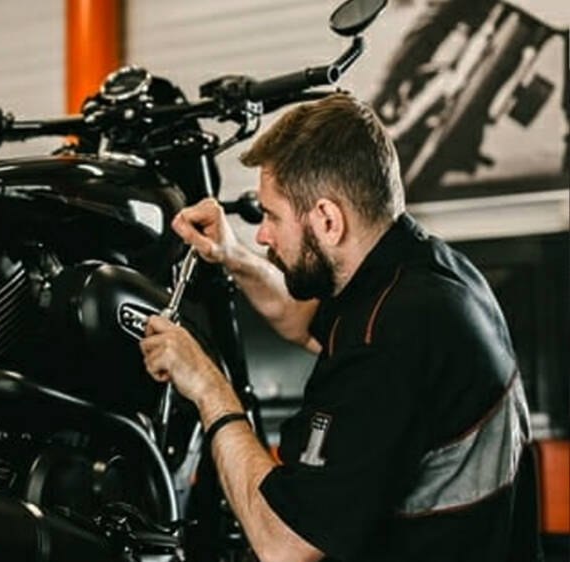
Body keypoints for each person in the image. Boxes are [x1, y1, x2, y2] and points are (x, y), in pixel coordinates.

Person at [139, 93, 541, 561]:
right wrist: (233, 257)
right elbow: (305, 321)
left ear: (328, 219)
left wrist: (207, 387)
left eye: (271, 215)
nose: (263, 234)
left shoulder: (390, 339)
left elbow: (283, 545)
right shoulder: (426, 274)